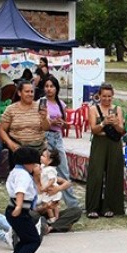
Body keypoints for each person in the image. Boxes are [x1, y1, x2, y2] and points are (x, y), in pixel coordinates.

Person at [85, 83, 125, 219]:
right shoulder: (93, 109)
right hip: (99, 143)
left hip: (114, 143)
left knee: (113, 173)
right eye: (104, 96)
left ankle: (110, 206)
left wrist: (115, 123)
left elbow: (122, 130)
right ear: (99, 96)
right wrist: (103, 123)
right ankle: (93, 207)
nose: (107, 99)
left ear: (112, 96)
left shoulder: (117, 109)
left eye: (109, 96)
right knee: (96, 174)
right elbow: (93, 130)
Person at [4, 146, 42, 253]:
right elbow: (20, 191)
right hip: (19, 211)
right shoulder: (23, 175)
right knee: (34, 240)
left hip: (13, 209)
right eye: (34, 164)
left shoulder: (16, 171)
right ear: (27, 163)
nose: (36, 167)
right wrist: (19, 206)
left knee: (25, 238)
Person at [41, 76, 79, 208]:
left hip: (57, 137)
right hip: (46, 137)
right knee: (44, 170)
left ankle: (72, 204)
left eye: (51, 86)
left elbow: (65, 123)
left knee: (64, 170)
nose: (49, 89)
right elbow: (40, 122)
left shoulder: (61, 104)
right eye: (46, 86)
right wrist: (52, 122)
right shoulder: (42, 102)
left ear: (56, 88)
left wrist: (62, 123)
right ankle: (45, 202)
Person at [0, 80, 50, 161]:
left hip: (38, 151)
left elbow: (46, 128)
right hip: (18, 151)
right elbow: (2, 130)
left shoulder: (40, 108)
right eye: (27, 91)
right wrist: (10, 143)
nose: (30, 94)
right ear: (19, 93)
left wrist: (44, 118)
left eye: (32, 92)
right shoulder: (11, 109)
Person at [38, 147, 70, 223]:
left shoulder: (50, 170)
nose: (41, 157)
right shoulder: (43, 166)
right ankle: (56, 218)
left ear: (50, 161)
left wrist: (47, 187)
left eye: (43, 156)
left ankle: (53, 218)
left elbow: (52, 180)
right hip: (48, 191)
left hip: (50, 190)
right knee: (53, 205)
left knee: (50, 205)